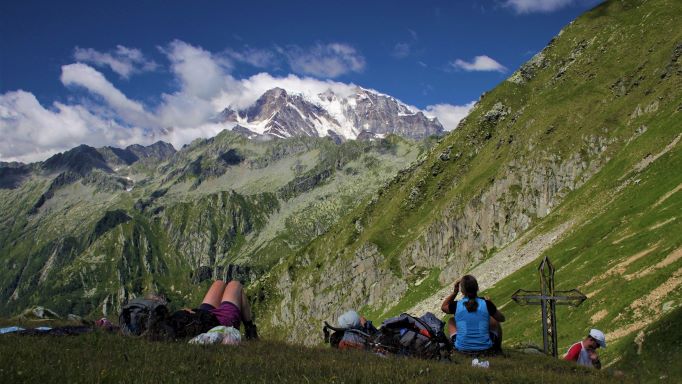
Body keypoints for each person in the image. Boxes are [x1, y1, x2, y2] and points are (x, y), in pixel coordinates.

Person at [440, 275, 505, 353]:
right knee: (494, 319)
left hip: (462, 350)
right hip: (485, 349)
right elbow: (502, 318)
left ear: (462, 291)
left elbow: (444, 307)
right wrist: (491, 304)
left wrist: (454, 292)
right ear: (477, 288)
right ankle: (497, 349)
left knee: (451, 320)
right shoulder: (486, 303)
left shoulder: (457, 305)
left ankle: (456, 346)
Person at [190, 280, 258, 340]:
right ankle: (250, 330)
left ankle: (250, 329)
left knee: (219, 283)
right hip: (216, 324)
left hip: (199, 317)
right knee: (235, 284)